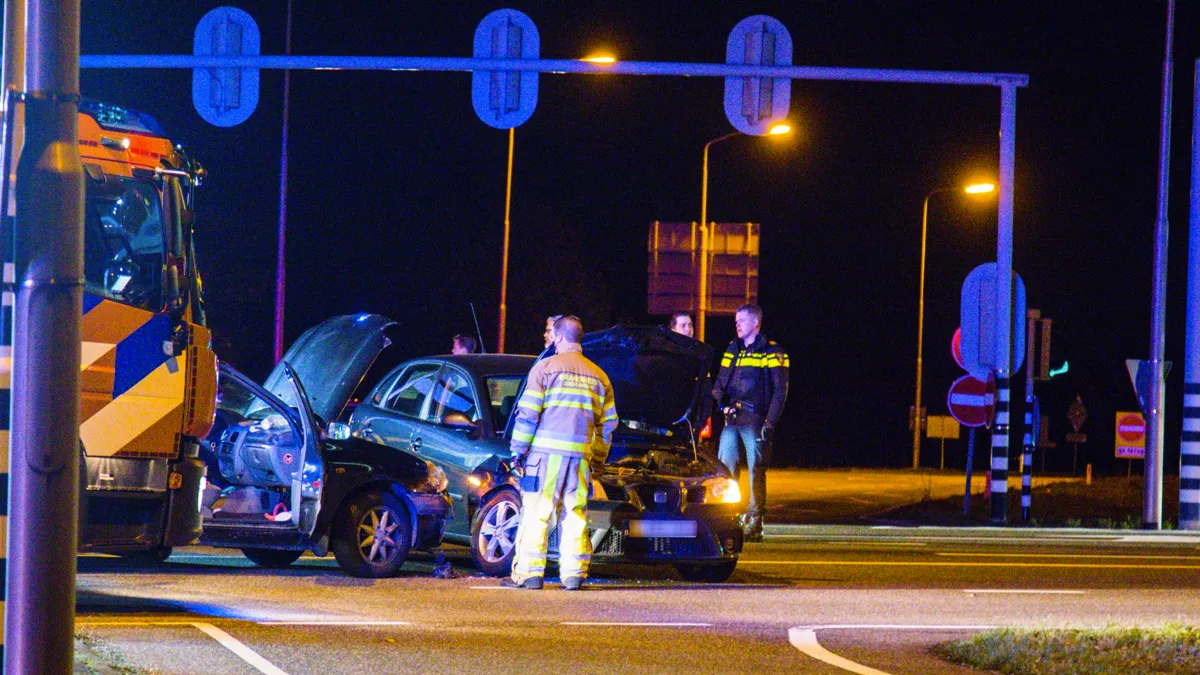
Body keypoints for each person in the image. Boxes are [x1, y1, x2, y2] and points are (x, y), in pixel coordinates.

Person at [504, 316, 618, 590]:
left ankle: (529, 574)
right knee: (576, 515)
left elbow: (528, 415)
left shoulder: (544, 369)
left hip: (544, 458)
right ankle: (573, 574)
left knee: (537, 514)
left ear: (558, 337)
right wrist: (597, 458)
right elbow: (608, 424)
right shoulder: (599, 376)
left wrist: (517, 452)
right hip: (579, 461)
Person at [711, 304, 789, 542]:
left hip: (756, 419)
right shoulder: (732, 350)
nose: (737, 324)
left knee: (756, 471)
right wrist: (722, 405)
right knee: (725, 470)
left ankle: (755, 522)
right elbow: (718, 386)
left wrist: (769, 422)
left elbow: (780, 391)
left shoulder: (772, 352)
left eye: (742, 320)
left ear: (756, 323)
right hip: (732, 419)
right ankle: (730, 517)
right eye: (736, 320)